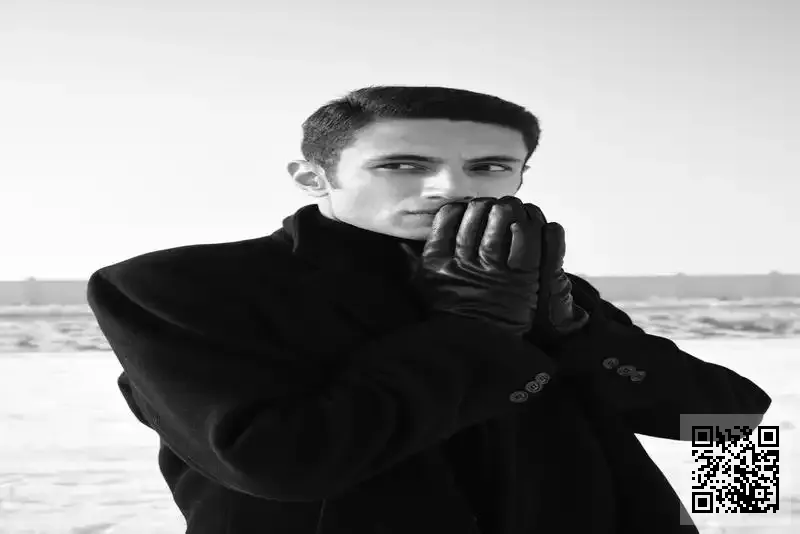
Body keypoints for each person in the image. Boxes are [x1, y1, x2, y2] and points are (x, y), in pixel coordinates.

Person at [87, 85, 772, 534]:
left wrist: (574, 332)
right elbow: (280, 466)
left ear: (521, 176)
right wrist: (472, 332)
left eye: (489, 166)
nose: (449, 187)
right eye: (402, 165)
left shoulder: (534, 279)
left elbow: (731, 428)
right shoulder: (177, 284)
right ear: (312, 176)